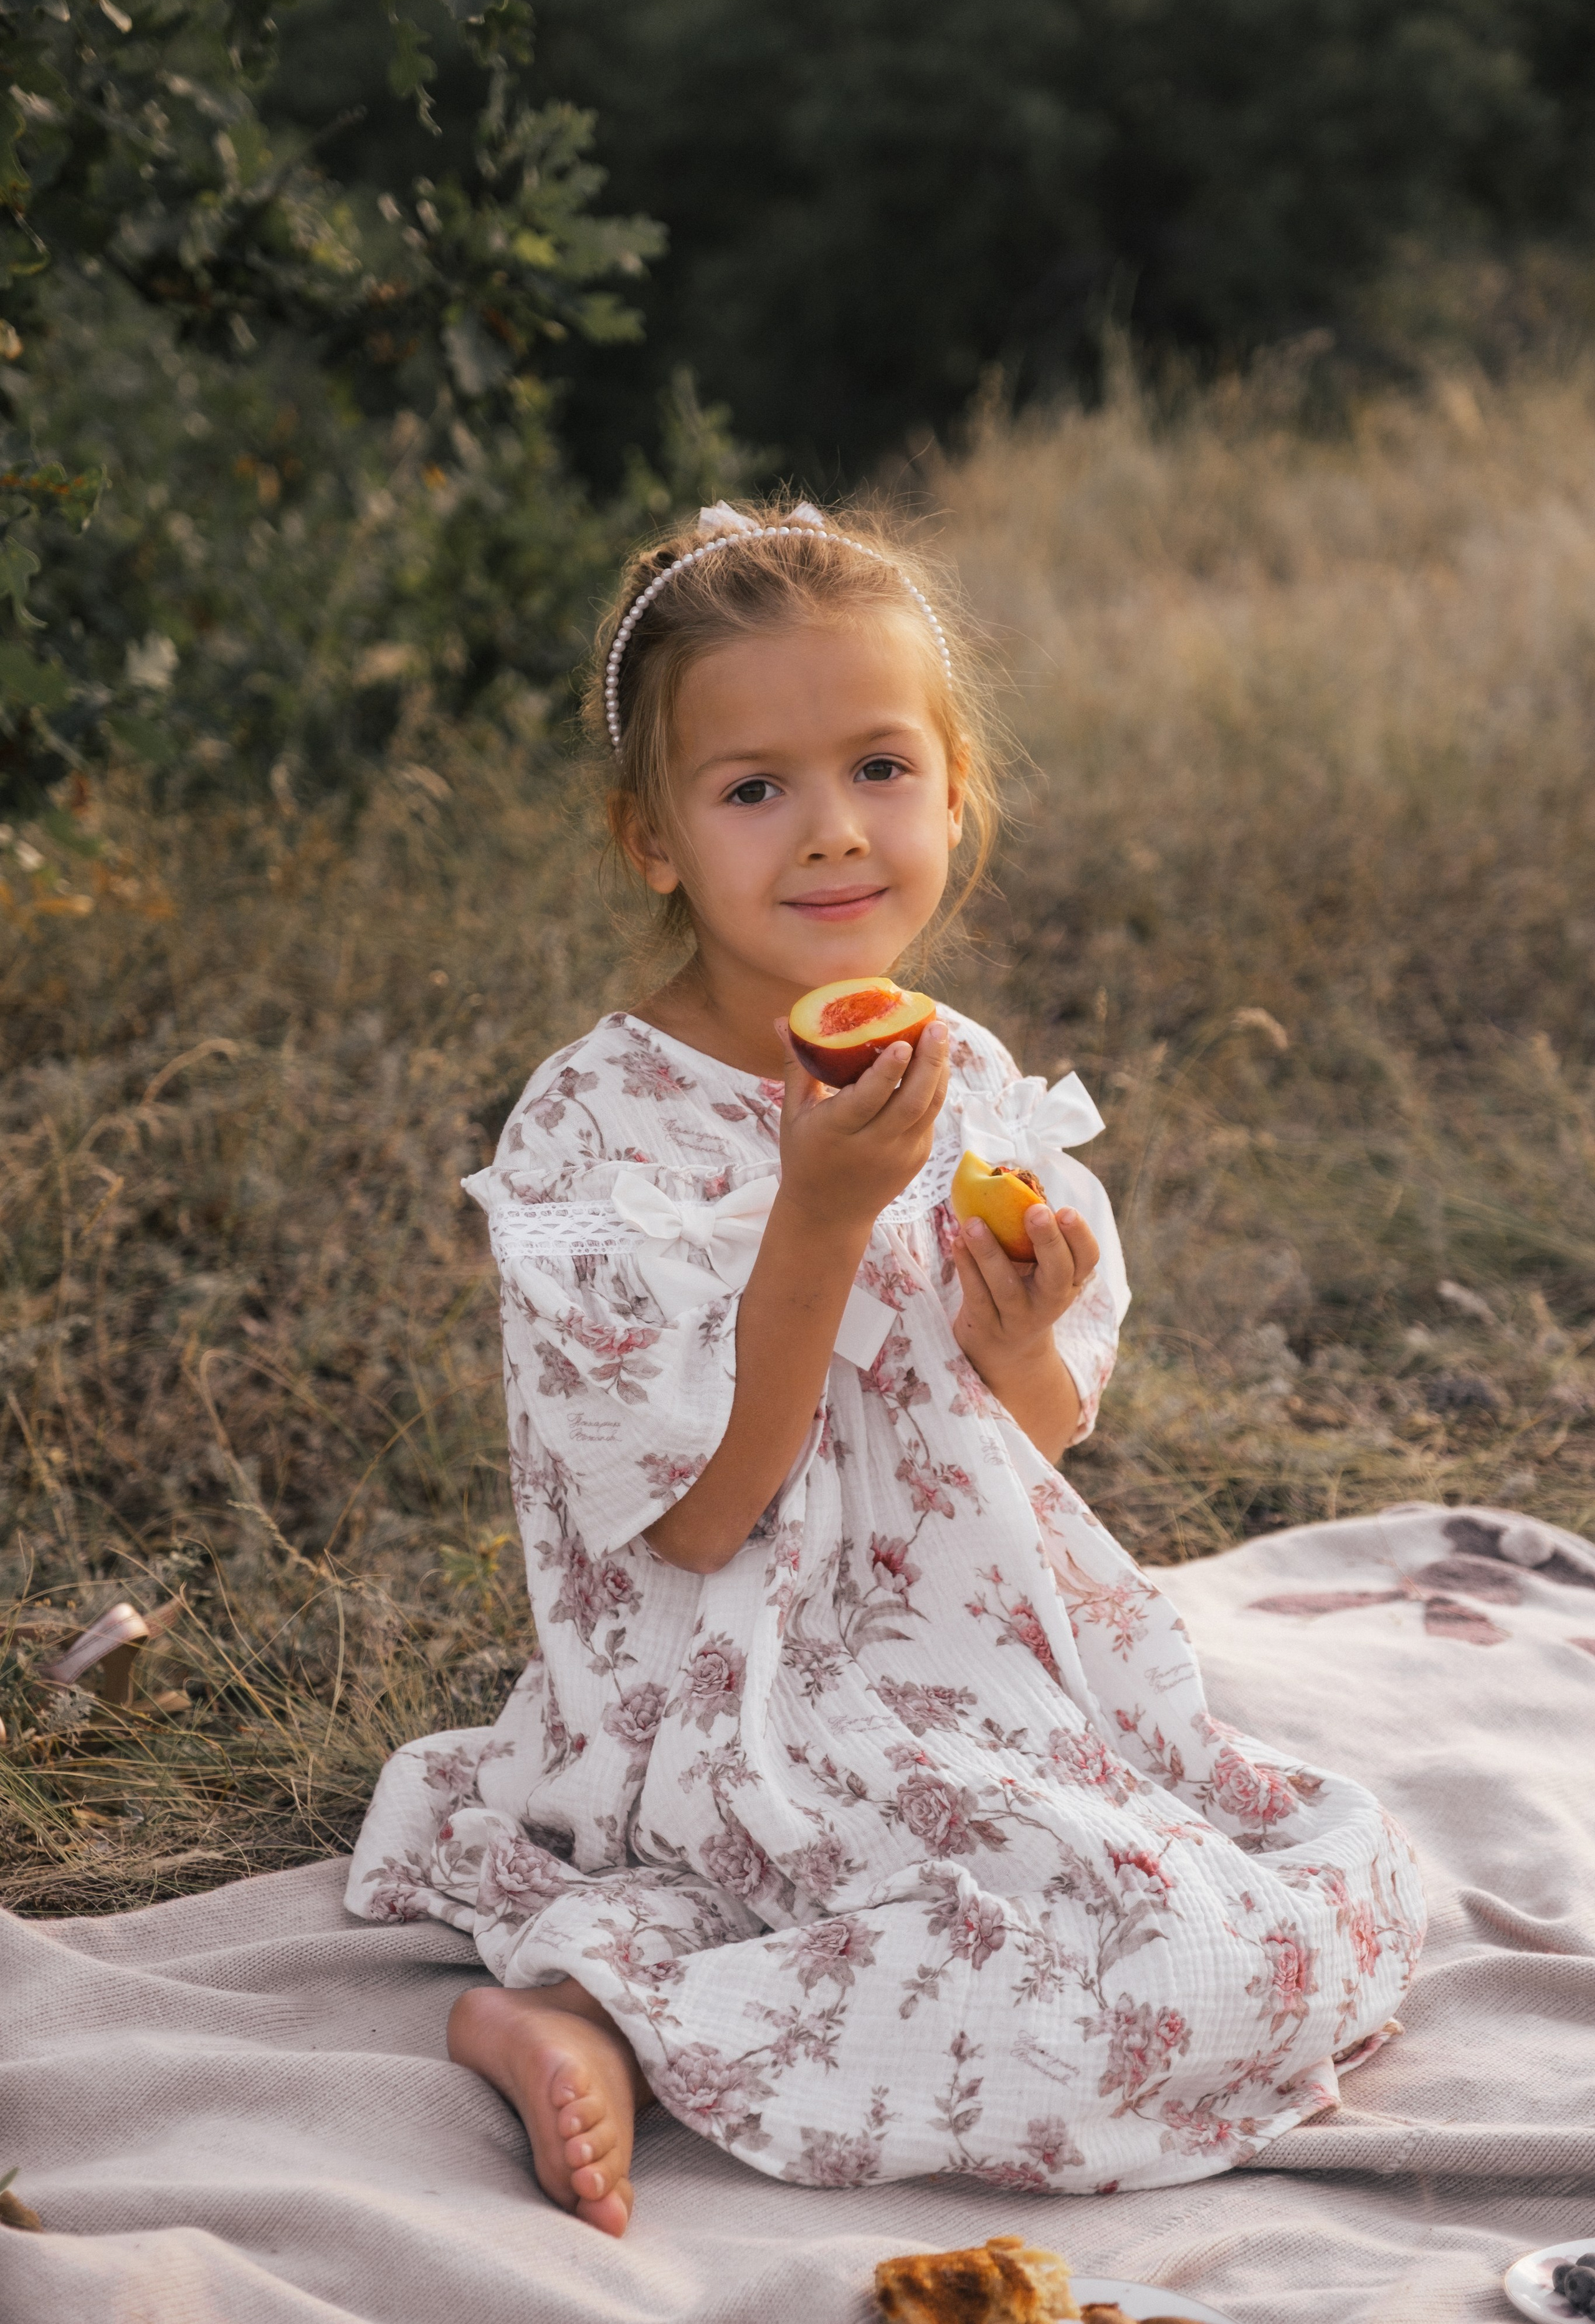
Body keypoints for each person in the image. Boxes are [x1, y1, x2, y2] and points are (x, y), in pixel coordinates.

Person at [346, 498, 1424, 2237]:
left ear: (955, 790)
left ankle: (613, 1998)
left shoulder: (959, 1070)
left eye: (880, 767)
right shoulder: (595, 1128)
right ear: (654, 840)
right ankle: (583, 2015)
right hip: (734, 1690)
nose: (835, 832)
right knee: (1143, 1969)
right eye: (754, 787)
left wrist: (1020, 1347)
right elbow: (698, 1529)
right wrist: (819, 1219)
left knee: (1335, 1892)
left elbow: (1029, 1442)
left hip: (966, 1653)